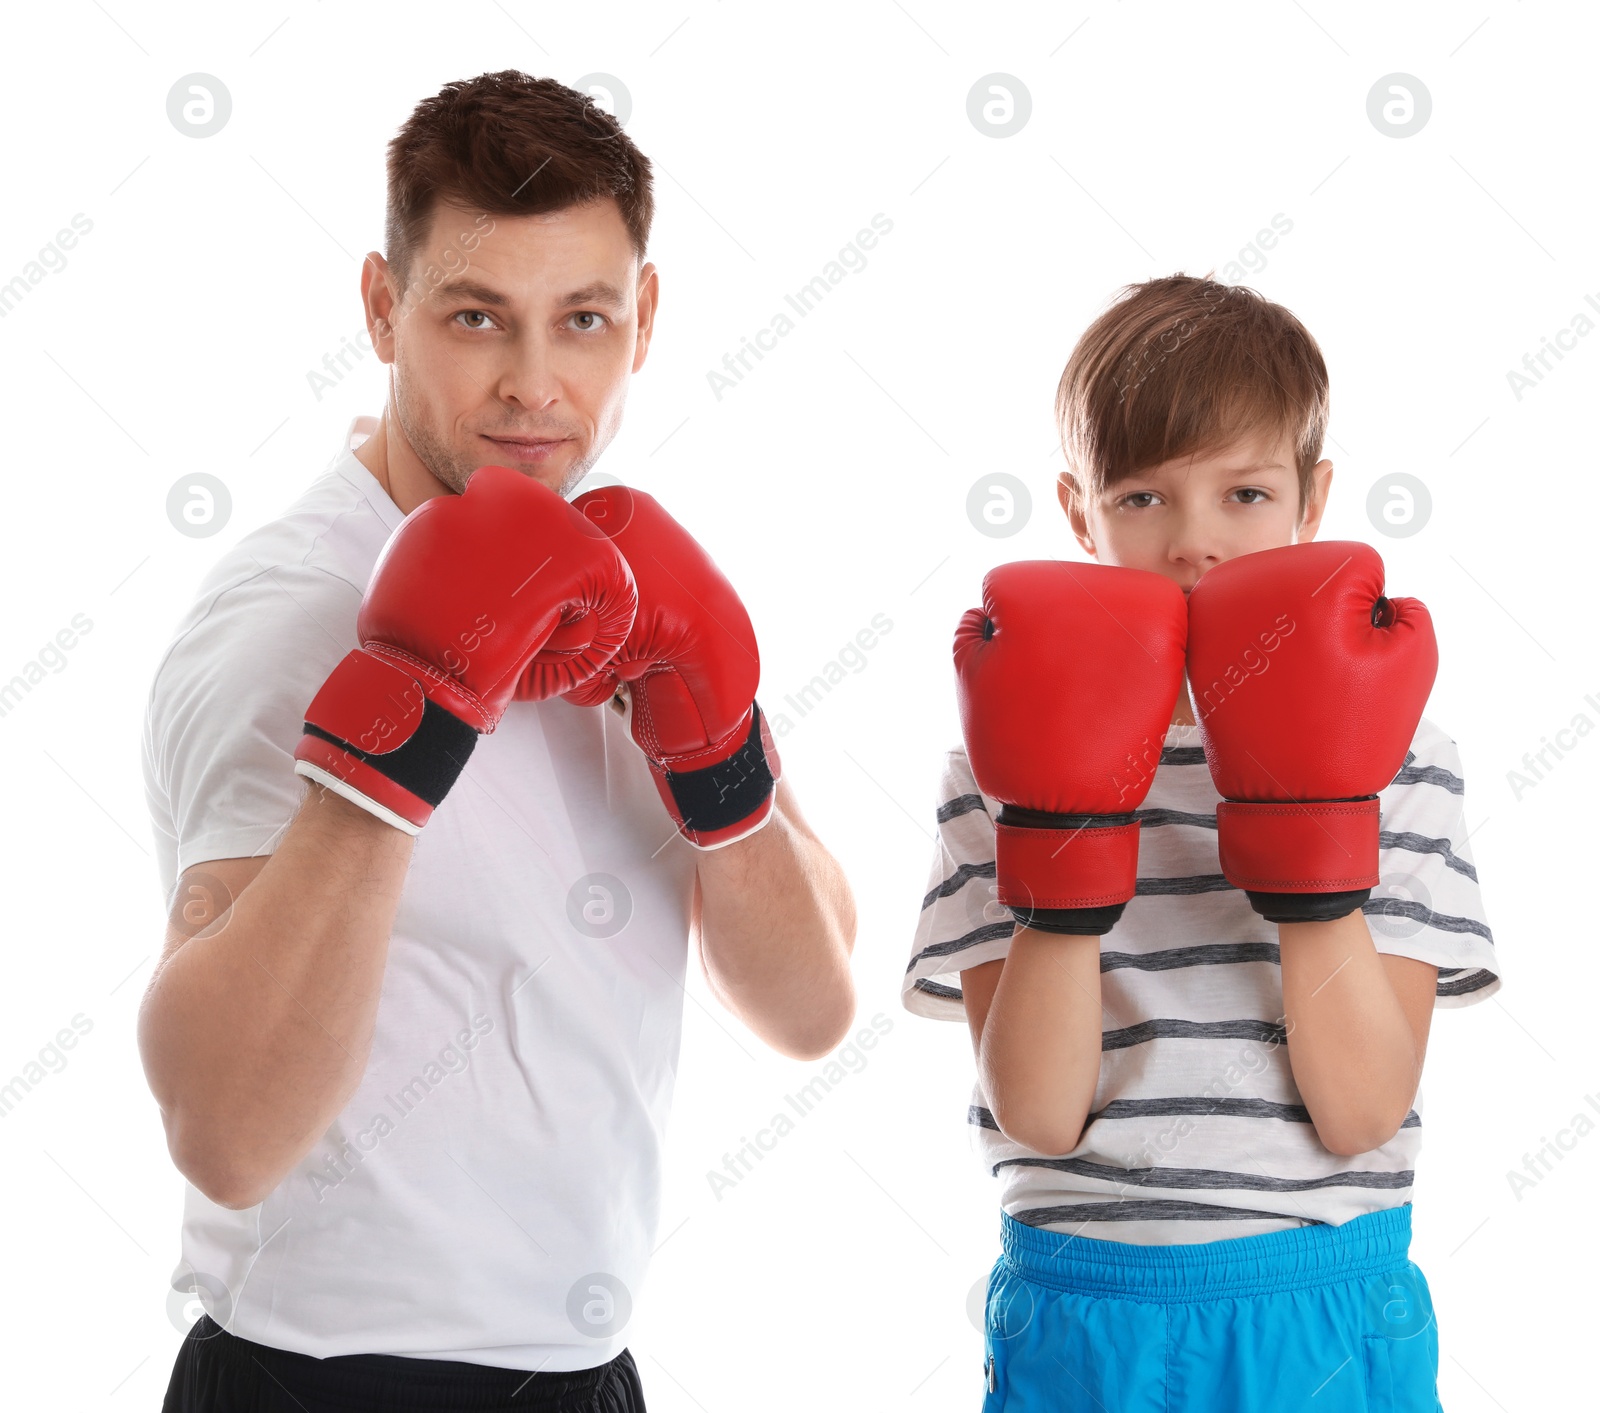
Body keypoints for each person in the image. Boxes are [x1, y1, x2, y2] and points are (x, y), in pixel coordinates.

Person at [140, 70, 856, 1412]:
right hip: (319, 1381)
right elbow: (227, 1135)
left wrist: (720, 759)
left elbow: (812, 1010)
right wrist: (397, 739)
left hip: (583, 1371)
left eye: (581, 320)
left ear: (642, 320)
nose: (536, 388)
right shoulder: (289, 620)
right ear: (382, 309)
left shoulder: (630, 593)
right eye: (478, 319)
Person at [902, 273, 1500, 1411]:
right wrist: (1062, 838)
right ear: (1077, 511)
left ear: (1311, 497)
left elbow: (1363, 1113)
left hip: (1320, 1300)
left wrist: (1312, 817)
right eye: (1141, 500)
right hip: (1085, 1305)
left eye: (1243, 493)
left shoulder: (1399, 756)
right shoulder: (993, 766)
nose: (1194, 545)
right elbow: (1034, 1114)